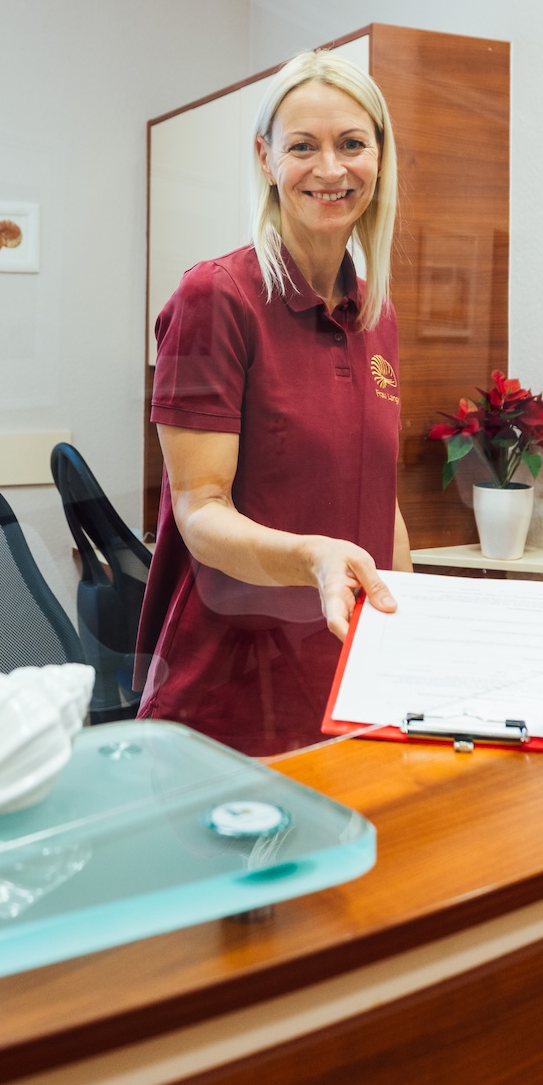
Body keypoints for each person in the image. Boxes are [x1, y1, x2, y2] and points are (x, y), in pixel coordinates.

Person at [136, 48, 409, 754]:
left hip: (346, 677)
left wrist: (409, 626)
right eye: (303, 146)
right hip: (231, 691)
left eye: (352, 144)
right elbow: (200, 512)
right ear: (265, 157)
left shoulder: (376, 313)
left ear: (380, 158)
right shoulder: (216, 297)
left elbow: (383, 501)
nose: (330, 169)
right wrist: (314, 558)